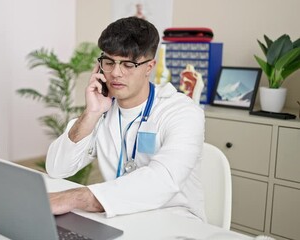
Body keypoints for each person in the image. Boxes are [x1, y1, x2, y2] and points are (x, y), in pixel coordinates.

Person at [46, 16, 205, 221]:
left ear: (150, 67)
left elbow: (163, 180)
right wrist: (91, 113)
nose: (115, 73)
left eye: (128, 64)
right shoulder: (103, 109)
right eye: (109, 62)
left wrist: (77, 197)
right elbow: (57, 168)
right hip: (122, 217)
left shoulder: (182, 112)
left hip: (175, 221)